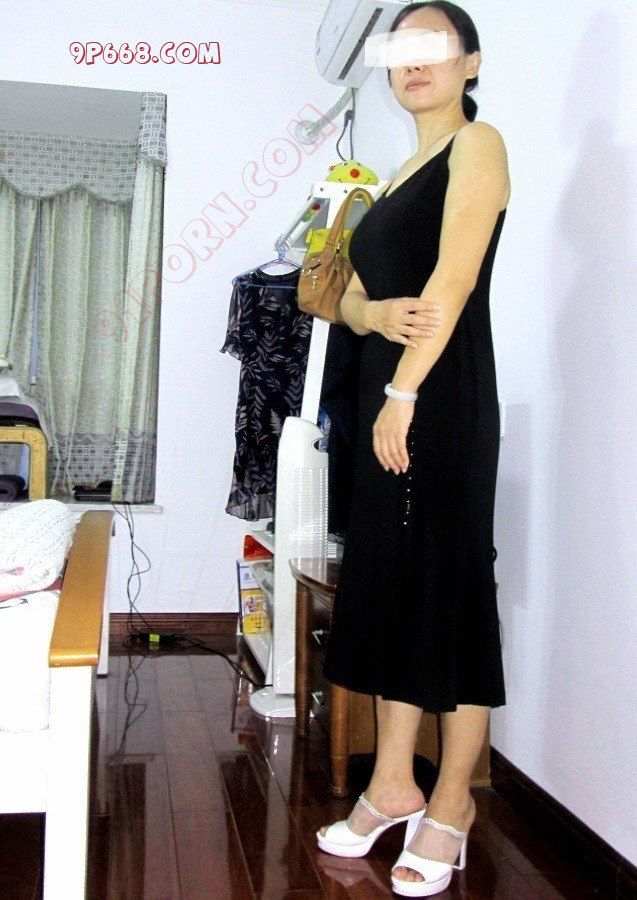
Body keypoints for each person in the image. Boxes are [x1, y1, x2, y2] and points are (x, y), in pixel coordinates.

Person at [316, 2, 510, 895]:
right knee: (392, 586)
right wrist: (374, 316)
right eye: (401, 50)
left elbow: (454, 279)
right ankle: (392, 784)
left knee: (449, 586)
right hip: (384, 400)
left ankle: (452, 804)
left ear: (470, 63)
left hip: (438, 397)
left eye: (434, 47)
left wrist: (402, 391)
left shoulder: (478, 145)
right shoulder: (396, 175)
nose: (413, 63)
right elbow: (349, 299)